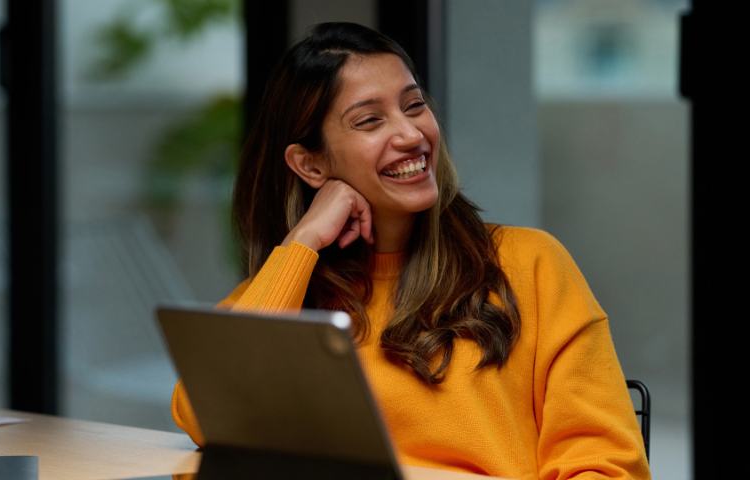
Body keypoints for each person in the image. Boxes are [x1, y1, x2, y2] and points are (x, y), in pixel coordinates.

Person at [170, 21, 651, 480]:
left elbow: (608, 466)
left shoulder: (532, 265)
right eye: (370, 120)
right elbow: (199, 411)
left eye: (414, 105)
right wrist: (303, 242)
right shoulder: (292, 288)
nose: (411, 135)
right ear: (310, 165)